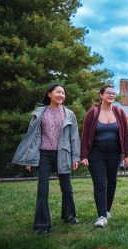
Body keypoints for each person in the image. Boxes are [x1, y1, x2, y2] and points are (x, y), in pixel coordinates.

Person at [12, 84, 81, 234]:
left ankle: (70, 216)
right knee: (43, 190)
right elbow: (32, 138)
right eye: (58, 92)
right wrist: (30, 159)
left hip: (63, 153)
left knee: (67, 188)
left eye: (63, 93)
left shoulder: (69, 114)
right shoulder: (39, 113)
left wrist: (75, 157)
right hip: (44, 154)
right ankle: (42, 224)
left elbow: (74, 137)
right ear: (49, 94)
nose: (61, 95)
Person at [80, 85, 128, 228]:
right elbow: (84, 135)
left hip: (114, 153)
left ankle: (107, 210)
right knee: (100, 183)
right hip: (96, 153)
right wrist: (84, 155)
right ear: (101, 95)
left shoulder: (120, 113)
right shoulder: (93, 113)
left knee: (111, 183)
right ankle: (101, 216)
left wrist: (127, 154)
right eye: (108, 93)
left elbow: (126, 135)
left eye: (113, 93)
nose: (111, 95)